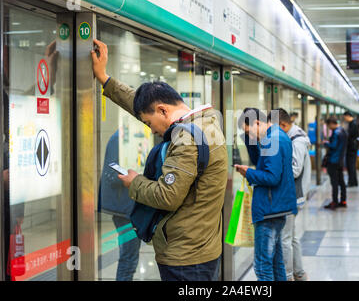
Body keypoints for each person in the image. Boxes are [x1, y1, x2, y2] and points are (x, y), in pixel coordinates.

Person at [91, 39, 228, 281]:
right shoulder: (205, 122)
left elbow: (168, 195)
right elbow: (144, 105)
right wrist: (106, 80)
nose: (151, 130)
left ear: (163, 111)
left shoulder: (187, 138)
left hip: (187, 257)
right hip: (200, 247)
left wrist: (135, 182)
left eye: (148, 123)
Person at [234, 108, 297, 281]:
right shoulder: (277, 136)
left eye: (249, 132)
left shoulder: (272, 139)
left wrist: (248, 173)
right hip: (277, 206)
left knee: (262, 267)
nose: (251, 137)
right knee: (276, 263)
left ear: (257, 122)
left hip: (269, 210)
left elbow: (272, 177)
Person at [269, 108, 310, 282]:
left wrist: (270, 171)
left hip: (291, 195)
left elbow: (294, 169)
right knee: (291, 237)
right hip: (290, 194)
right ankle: (299, 273)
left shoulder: (297, 141)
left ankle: (286, 277)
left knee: (284, 239)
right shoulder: (290, 137)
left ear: (283, 125)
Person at [98, 130, 141, 281]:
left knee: (130, 256)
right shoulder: (119, 139)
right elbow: (112, 175)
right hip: (124, 209)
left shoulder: (130, 137)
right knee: (129, 257)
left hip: (131, 206)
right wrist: (136, 178)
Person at [323, 117, 348, 210]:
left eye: (329, 126)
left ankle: (334, 202)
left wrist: (326, 143)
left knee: (334, 182)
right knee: (341, 181)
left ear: (331, 124)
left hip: (333, 160)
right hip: (340, 160)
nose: (329, 128)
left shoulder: (336, 133)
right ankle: (343, 200)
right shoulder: (343, 131)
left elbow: (333, 145)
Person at [343, 111, 359, 187]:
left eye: (345, 117)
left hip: (351, 148)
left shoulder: (353, 124)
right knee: (351, 165)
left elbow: (350, 136)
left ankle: (351, 182)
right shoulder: (352, 123)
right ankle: (354, 182)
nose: (345, 119)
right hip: (352, 147)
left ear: (348, 116)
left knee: (351, 165)